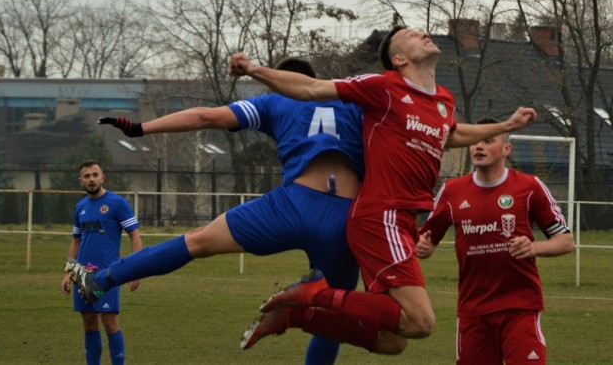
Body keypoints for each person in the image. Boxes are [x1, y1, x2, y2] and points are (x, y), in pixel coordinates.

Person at [227, 25, 538, 355]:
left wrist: (506, 126)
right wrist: (254, 69)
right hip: (381, 216)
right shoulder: (383, 86)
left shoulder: (443, 101)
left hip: (402, 222)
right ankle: (313, 294)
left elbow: (451, 135)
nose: (423, 33)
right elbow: (311, 88)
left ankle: (296, 315)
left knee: (394, 340)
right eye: (412, 34)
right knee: (422, 321)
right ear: (399, 59)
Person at [65, 57, 364, 364]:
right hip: (346, 217)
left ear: (278, 79)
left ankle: (101, 280)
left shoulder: (276, 101)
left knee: (196, 241)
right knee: (331, 322)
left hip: (294, 205)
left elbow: (204, 117)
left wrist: (141, 128)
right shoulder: (355, 99)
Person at [415, 117, 574, 364]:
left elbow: (566, 241)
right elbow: (425, 242)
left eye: (487, 141)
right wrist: (423, 247)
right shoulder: (452, 191)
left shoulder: (529, 187)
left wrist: (534, 247)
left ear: (506, 149)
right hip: (473, 310)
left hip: (520, 306)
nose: (478, 146)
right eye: (475, 141)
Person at [61, 160, 143, 365]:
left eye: (95, 175)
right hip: (82, 275)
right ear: (81, 181)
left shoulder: (117, 203)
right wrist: (68, 273)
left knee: (110, 323)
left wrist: (137, 268)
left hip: (107, 274)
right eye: (87, 176)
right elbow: (76, 241)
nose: (91, 179)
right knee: (89, 324)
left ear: (102, 177)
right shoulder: (80, 207)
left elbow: (134, 235)